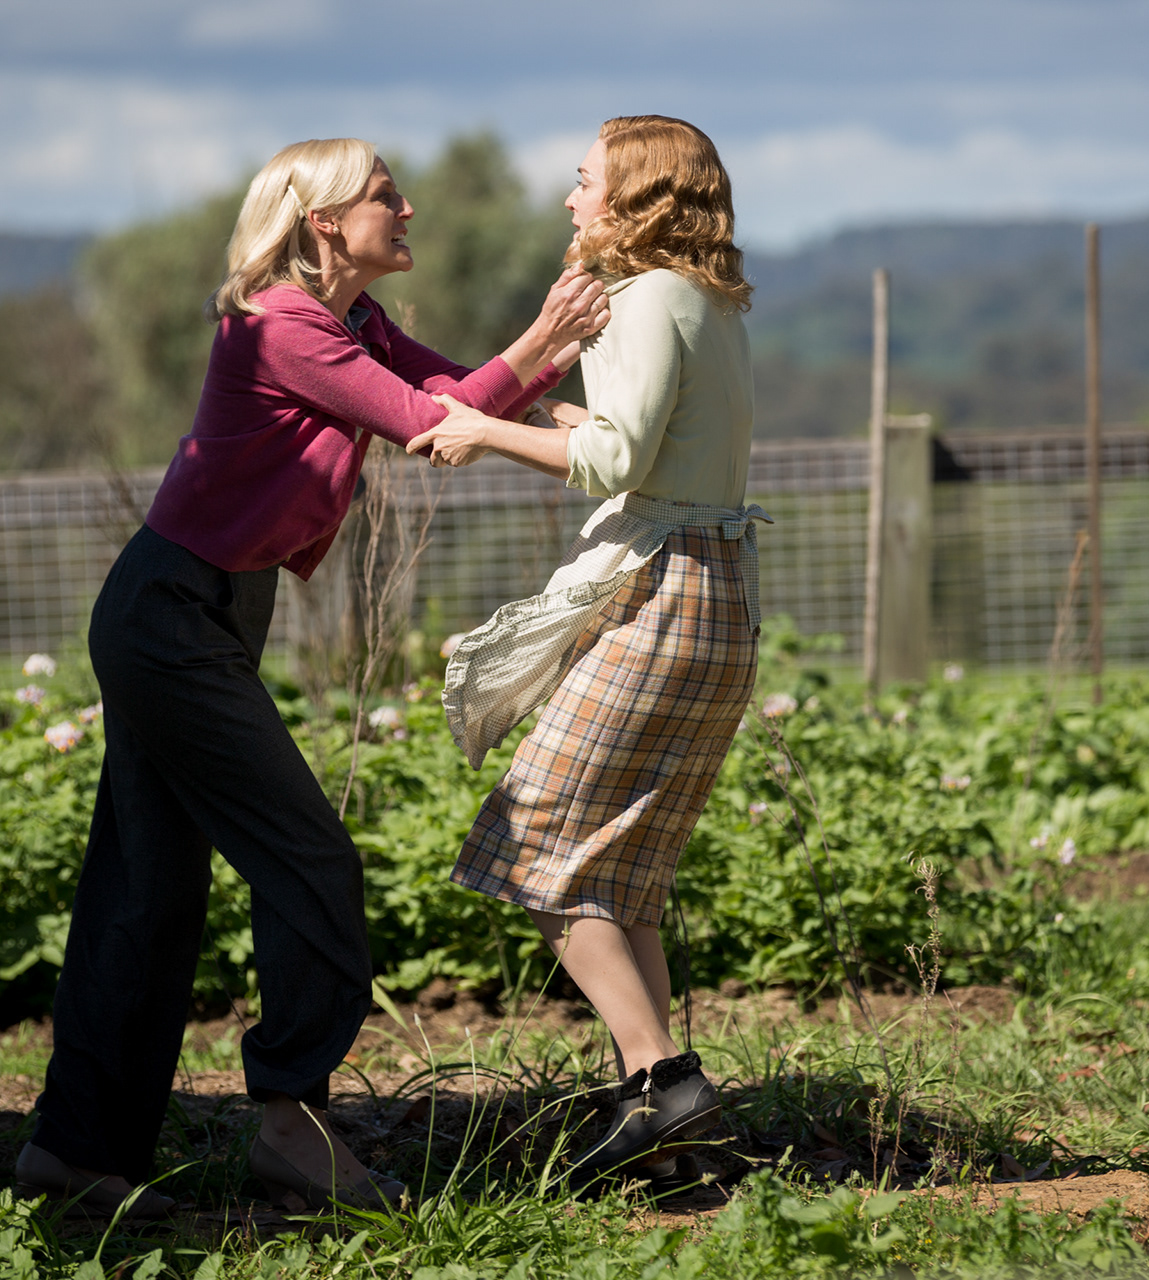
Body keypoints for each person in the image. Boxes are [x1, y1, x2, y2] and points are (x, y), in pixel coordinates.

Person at [15, 137, 609, 1219]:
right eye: (387, 196)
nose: (409, 208)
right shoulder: (279, 324)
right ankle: (290, 1118)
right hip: (167, 614)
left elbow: (454, 395)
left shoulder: (352, 321)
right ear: (326, 221)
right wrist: (542, 339)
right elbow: (429, 426)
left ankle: (73, 1151)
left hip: (209, 608)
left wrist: (550, 364)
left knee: (147, 886)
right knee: (310, 856)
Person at [410, 115, 764, 1192]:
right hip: (714, 587)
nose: (571, 200)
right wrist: (571, 418)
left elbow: (615, 460)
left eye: (584, 181)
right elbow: (659, 450)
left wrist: (484, 429)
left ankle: (663, 1079)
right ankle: (671, 1138)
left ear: (637, 196)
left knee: (536, 843)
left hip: (662, 593)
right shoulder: (705, 299)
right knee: (621, 875)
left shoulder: (648, 296)